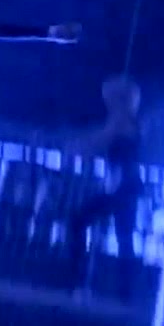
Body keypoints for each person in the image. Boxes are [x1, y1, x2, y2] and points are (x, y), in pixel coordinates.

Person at [65, 75, 143, 302]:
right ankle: (125, 293)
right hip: (125, 187)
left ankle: (79, 281)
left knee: (79, 221)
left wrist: (76, 147)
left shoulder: (121, 122)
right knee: (123, 237)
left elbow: (99, 140)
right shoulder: (128, 122)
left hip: (122, 188)